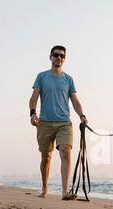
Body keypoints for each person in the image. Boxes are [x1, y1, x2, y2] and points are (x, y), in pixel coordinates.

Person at [29, 45, 87, 200]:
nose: (59, 58)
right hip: (45, 123)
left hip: (64, 123)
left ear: (64, 59)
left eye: (62, 56)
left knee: (65, 152)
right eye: (56, 55)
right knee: (45, 157)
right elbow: (34, 97)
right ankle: (44, 188)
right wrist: (33, 113)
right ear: (50, 57)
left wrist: (82, 115)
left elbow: (75, 100)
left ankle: (64, 191)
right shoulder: (41, 77)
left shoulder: (68, 79)